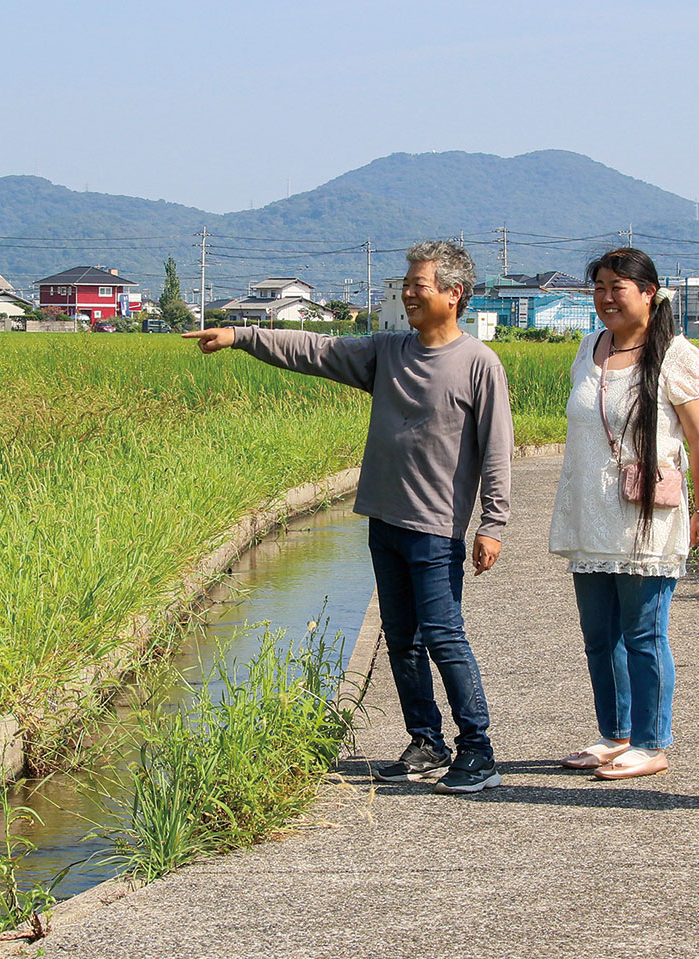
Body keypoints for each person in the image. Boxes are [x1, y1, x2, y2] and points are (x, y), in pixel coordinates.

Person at [184, 240, 513, 795]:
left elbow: (497, 448)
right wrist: (242, 336)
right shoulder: (388, 352)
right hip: (385, 520)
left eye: (420, 285)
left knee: (443, 635)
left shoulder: (479, 363)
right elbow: (315, 348)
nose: (408, 292)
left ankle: (477, 750)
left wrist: (493, 524)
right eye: (406, 283)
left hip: (436, 529)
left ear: (454, 295)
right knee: (401, 637)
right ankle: (425, 740)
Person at [548, 247, 699, 780]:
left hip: (647, 517)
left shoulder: (675, 355)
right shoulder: (587, 347)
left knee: (645, 634)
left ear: (649, 292)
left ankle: (651, 741)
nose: (605, 298)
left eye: (617, 287)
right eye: (598, 287)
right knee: (599, 636)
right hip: (589, 514)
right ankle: (614, 734)